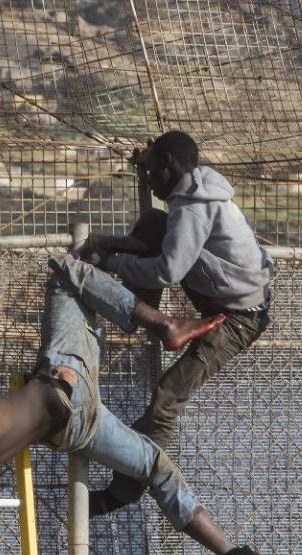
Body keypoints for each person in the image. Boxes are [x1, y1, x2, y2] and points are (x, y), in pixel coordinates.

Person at [0, 255, 292, 555]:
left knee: (159, 468)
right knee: (68, 273)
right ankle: (164, 325)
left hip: (76, 430)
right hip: (67, 380)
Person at [80, 130, 275, 517]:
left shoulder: (192, 208)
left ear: (168, 164)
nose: (149, 178)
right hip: (221, 294)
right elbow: (170, 250)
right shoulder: (200, 192)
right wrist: (112, 245)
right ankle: (135, 315)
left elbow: (169, 269)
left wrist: (113, 262)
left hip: (238, 318)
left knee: (167, 399)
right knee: (154, 222)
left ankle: (125, 490)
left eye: (151, 169)